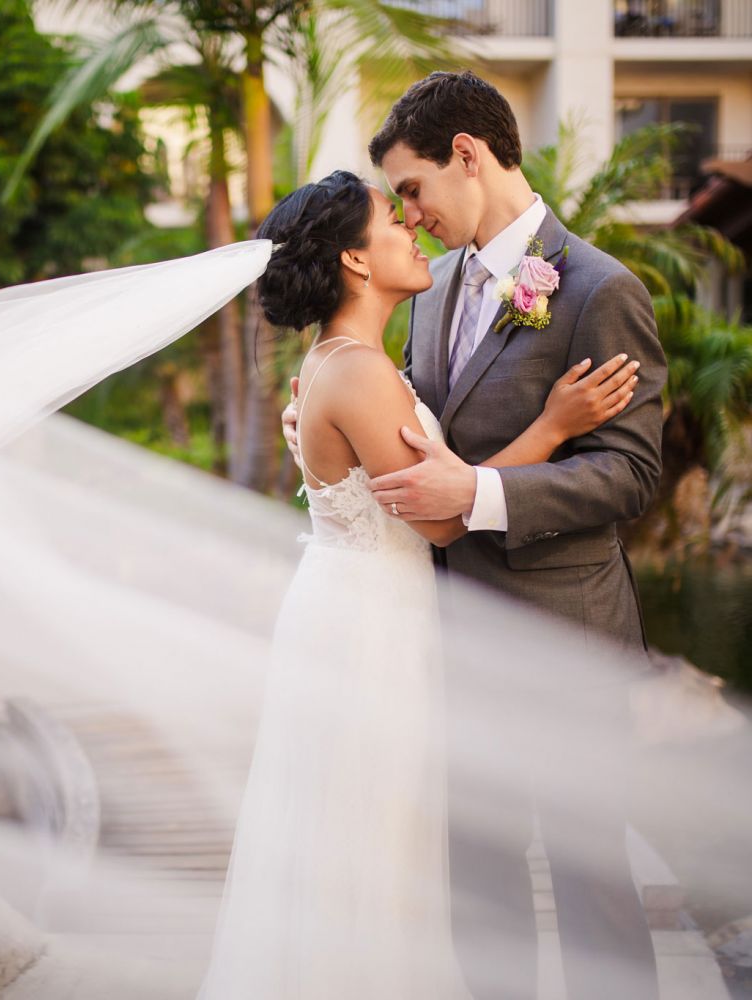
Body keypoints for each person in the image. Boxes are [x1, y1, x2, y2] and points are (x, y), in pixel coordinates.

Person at [198, 169, 640, 1000]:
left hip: (368, 609)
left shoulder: (353, 362)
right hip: (369, 628)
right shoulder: (357, 371)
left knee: (368, 838)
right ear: (356, 263)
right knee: (371, 841)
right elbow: (440, 518)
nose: (410, 225)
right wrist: (553, 427)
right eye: (389, 219)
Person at [282, 71, 665, 1000]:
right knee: (476, 896)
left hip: (561, 636)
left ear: (467, 154)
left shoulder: (598, 289)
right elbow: (411, 433)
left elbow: (632, 474)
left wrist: (484, 493)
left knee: (592, 892)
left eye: (411, 189)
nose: (408, 217)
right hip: (435, 640)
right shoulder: (434, 283)